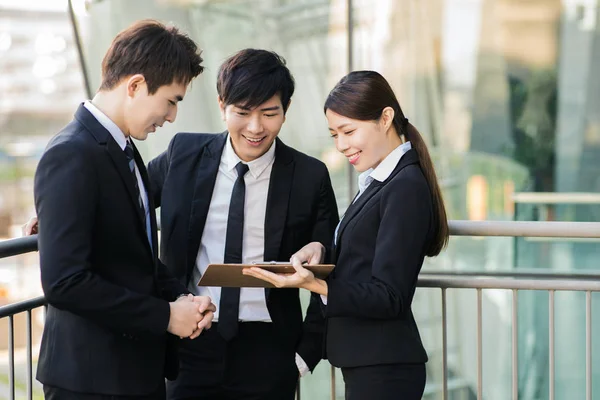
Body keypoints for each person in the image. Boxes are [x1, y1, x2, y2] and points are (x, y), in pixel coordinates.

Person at [33, 20, 215, 400]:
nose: (171, 117)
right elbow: (65, 282)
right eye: (171, 101)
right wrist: (166, 316)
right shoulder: (70, 153)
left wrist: (182, 299)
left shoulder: (125, 152)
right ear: (134, 86)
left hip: (133, 372)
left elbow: (134, 257)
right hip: (90, 381)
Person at [243, 70, 450, 400]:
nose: (341, 145)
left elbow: (389, 296)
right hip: (371, 363)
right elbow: (364, 255)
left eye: (349, 131)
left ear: (385, 118)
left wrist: (314, 284)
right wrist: (322, 249)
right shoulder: (380, 180)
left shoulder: (405, 187)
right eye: (334, 135)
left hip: (386, 368)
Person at [146, 48, 339, 399]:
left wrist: (304, 356)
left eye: (269, 113)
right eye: (242, 112)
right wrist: (65, 209)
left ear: (286, 110)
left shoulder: (310, 176)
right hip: (192, 338)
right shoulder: (183, 154)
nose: (255, 128)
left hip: (268, 350)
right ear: (222, 107)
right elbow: (126, 196)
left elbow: (332, 266)